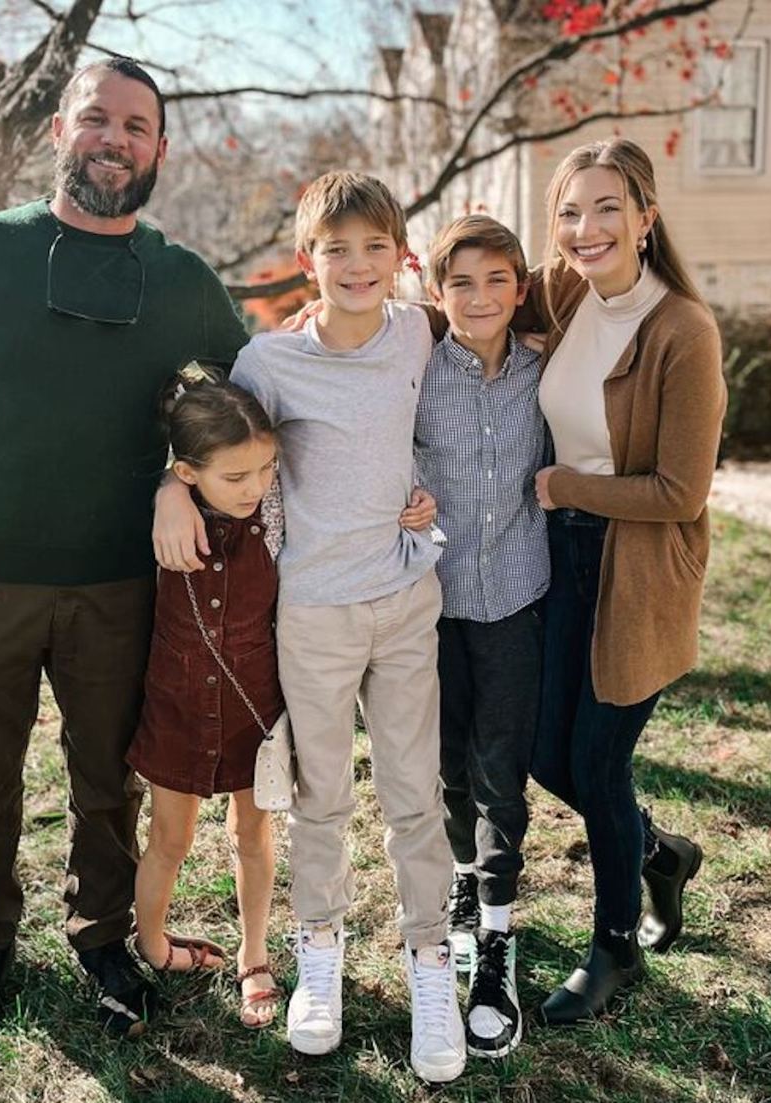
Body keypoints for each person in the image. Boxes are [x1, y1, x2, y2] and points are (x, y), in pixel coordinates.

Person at [0, 57, 249, 1040]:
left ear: (159, 150)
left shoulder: (182, 281)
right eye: (96, 120)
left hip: (120, 581)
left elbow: (257, 408)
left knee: (105, 779)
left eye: (135, 127)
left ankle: (102, 939)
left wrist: (179, 477)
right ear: (59, 133)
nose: (113, 140)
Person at [154, 172, 466, 1083]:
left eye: (376, 247)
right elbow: (208, 434)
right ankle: (318, 955)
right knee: (320, 795)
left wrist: (422, 501)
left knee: (415, 795)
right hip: (315, 612)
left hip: (407, 601)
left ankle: (430, 963)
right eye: (337, 248)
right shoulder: (271, 362)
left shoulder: (416, 329)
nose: (357, 265)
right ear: (308, 261)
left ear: (399, 257)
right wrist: (170, 486)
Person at [525, 137, 726, 1024]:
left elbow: (682, 491)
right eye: (570, 211)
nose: (586, 228)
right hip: (558, 559)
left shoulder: (683, 328)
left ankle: (612, 949)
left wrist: (568, 486)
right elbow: (471, 293)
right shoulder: (567, 289)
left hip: (636, 565)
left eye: (607, 208)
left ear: (647, 217)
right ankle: (660, 851)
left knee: (599, 764)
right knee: (542, 751)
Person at [414, 215, 548, 1058]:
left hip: (516, 598)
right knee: (447, 764)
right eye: (460, 282)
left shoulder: (545, 367)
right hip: (429, 601)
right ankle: (464, 883)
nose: (480, 296)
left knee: (502, 770)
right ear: (435, 293)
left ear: (521, 288)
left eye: (498, 279)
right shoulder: (414, 370)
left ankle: (496, 936)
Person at [127, 367, 285, 1028]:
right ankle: (153, 942)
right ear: (189, 473)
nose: (255, 487)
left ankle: (255, 954)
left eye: (265, 469)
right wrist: (167, 487)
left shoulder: (276, 513)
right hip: (178, 704)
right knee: (170, 836)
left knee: (254, 830)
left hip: (257, 702)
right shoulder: (162, 520)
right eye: (237, 477)